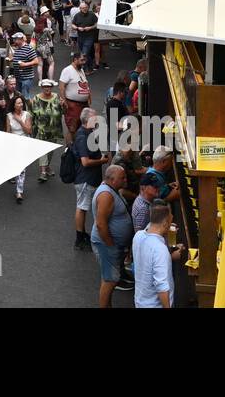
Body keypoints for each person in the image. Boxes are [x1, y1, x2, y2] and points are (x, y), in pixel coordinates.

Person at [91, 164, 133, 307]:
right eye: (122, 178)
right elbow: (101, 224)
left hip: (111, 244)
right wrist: (110, 245)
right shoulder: (106, 195)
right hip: (106, 244)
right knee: (110, 280)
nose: (125, 180)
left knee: (109, 278)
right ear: (112, 180)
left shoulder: (111, 189)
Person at [132, 200, 183, 309]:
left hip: (140, 301)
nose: (170, 225)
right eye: (170, 221)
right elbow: (162, 287)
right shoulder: (160, 250)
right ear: (165, 223)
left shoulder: (138, 236)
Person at [72, 110, 106, 249]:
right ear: (87, 120)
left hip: (89, 178)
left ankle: (82, 234)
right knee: (82, 207)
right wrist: (102, 161)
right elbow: (85, 162)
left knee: (84, 207)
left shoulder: (88, 132)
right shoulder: (82, 136)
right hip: (85, 178)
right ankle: (79, 239)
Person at [29, 77, 65, 182]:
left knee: (50, 150)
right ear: (41, 87)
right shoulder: (36, 99)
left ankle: (47, 166)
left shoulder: (57, 97)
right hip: (41, 129)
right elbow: (31, 114)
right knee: (43, 150)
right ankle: (43, 172)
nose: (47, 89)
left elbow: (63, 112)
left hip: (54, 129)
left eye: (49, 87)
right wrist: (31, 127)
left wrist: (63, 106)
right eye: (45, 87)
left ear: (52, 87)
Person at [7, 94, 33, 203]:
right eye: (18, 103)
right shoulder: (8, 116)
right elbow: (8, 132)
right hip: (13, 144)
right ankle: (16, 183)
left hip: (24, 143)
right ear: (13, 105)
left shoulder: (27, 115)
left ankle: (19, 191)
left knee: (22, 168)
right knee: (16, 167)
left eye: (21, 102)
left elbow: (29, 131)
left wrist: (20, 120)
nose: (20, 105)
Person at [9, 32, 40, 99]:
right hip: (17, 76)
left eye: (16, 39)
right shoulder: (17, 49)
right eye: (14, 39)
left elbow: (36, 61)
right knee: (18, 95)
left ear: (22, 39)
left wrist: (25, 64)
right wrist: (12, 59)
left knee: (25, 96)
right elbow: (19, 58)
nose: (14, 41)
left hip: (26, 77)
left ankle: (26, 108)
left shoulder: (29, 49)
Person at [72, 0, 99, 70]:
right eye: (83, 8)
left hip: (89, 37)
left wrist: (90, 27)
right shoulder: (77, 15)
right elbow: (72, 25)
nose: (85, 9)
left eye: (86, 7)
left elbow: (97, 24)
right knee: (86, 53)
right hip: (80, 37)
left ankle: (84, 69)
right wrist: (77, 28)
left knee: (84, 53)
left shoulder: (92, 14)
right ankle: (90, 67)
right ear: (80, 8)